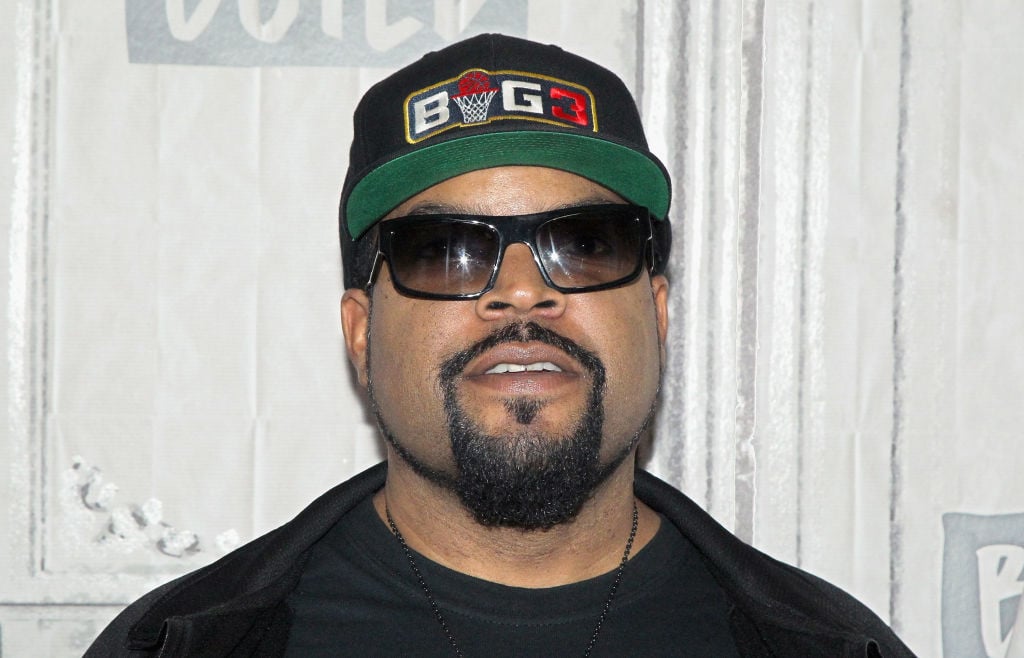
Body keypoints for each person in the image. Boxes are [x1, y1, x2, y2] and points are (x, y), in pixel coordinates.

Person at [86, 33, 914, 657]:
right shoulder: (181, 645)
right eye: (444, 251)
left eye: (585, 243)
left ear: (657, 313)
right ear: (361, 334)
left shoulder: (829, 646)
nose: (521, 291)